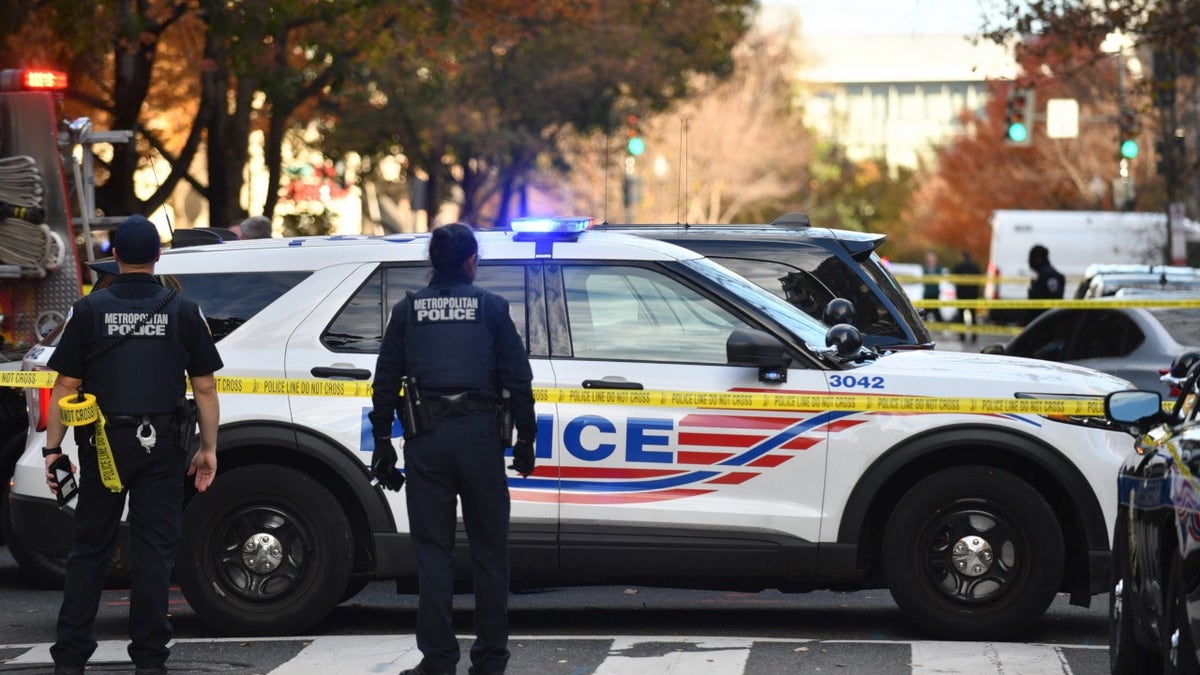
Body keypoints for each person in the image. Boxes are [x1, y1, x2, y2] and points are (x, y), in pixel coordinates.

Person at [43, 215, 223, 675]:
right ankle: (149, 660)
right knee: (153, 551)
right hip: (161, 446)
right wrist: (208, 448)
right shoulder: (182, 310)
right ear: (158, 256)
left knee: (90, 548)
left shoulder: (88, 310)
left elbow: (65, 384)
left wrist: (52, 449)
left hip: (103, 443)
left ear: (115, 256)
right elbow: (204, 388)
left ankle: (69, 658)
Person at [369, 222, 535, 675]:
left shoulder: (408, 311)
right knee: (489, 553)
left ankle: (439, 660)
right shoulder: (493, 309)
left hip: (428, 441)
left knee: (433, 553)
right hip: (481, 441)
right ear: (471, 262)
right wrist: (527, 440)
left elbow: (385, 382)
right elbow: (519, 380)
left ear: (433, 262)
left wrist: (383, 440)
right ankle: (490, 660)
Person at [1027, 243, 1065, 322]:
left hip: (1047, 321)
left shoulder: (1050, 275)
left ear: (1038, 259)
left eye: (1031, 258)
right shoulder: (1043, 274)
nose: (1029, 262)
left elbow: (1053, 299)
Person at [951, 249, 982, 342]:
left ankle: (962, 336)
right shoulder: (975, 267)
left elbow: (952, 278)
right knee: (973, 316)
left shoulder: (958, 267)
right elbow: (980, 279)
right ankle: (974, 337)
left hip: (961, 296)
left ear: (962, 257)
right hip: (973, 296)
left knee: (961, 317)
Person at [921, 249, 942, 323]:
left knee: (937, 313)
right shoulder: (924, 268)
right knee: (925, 314)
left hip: (935, 294)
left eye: (931, 257)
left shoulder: (939, 269)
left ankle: (941, 331)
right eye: (928, 258)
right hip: (927, 294)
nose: (930, 259)